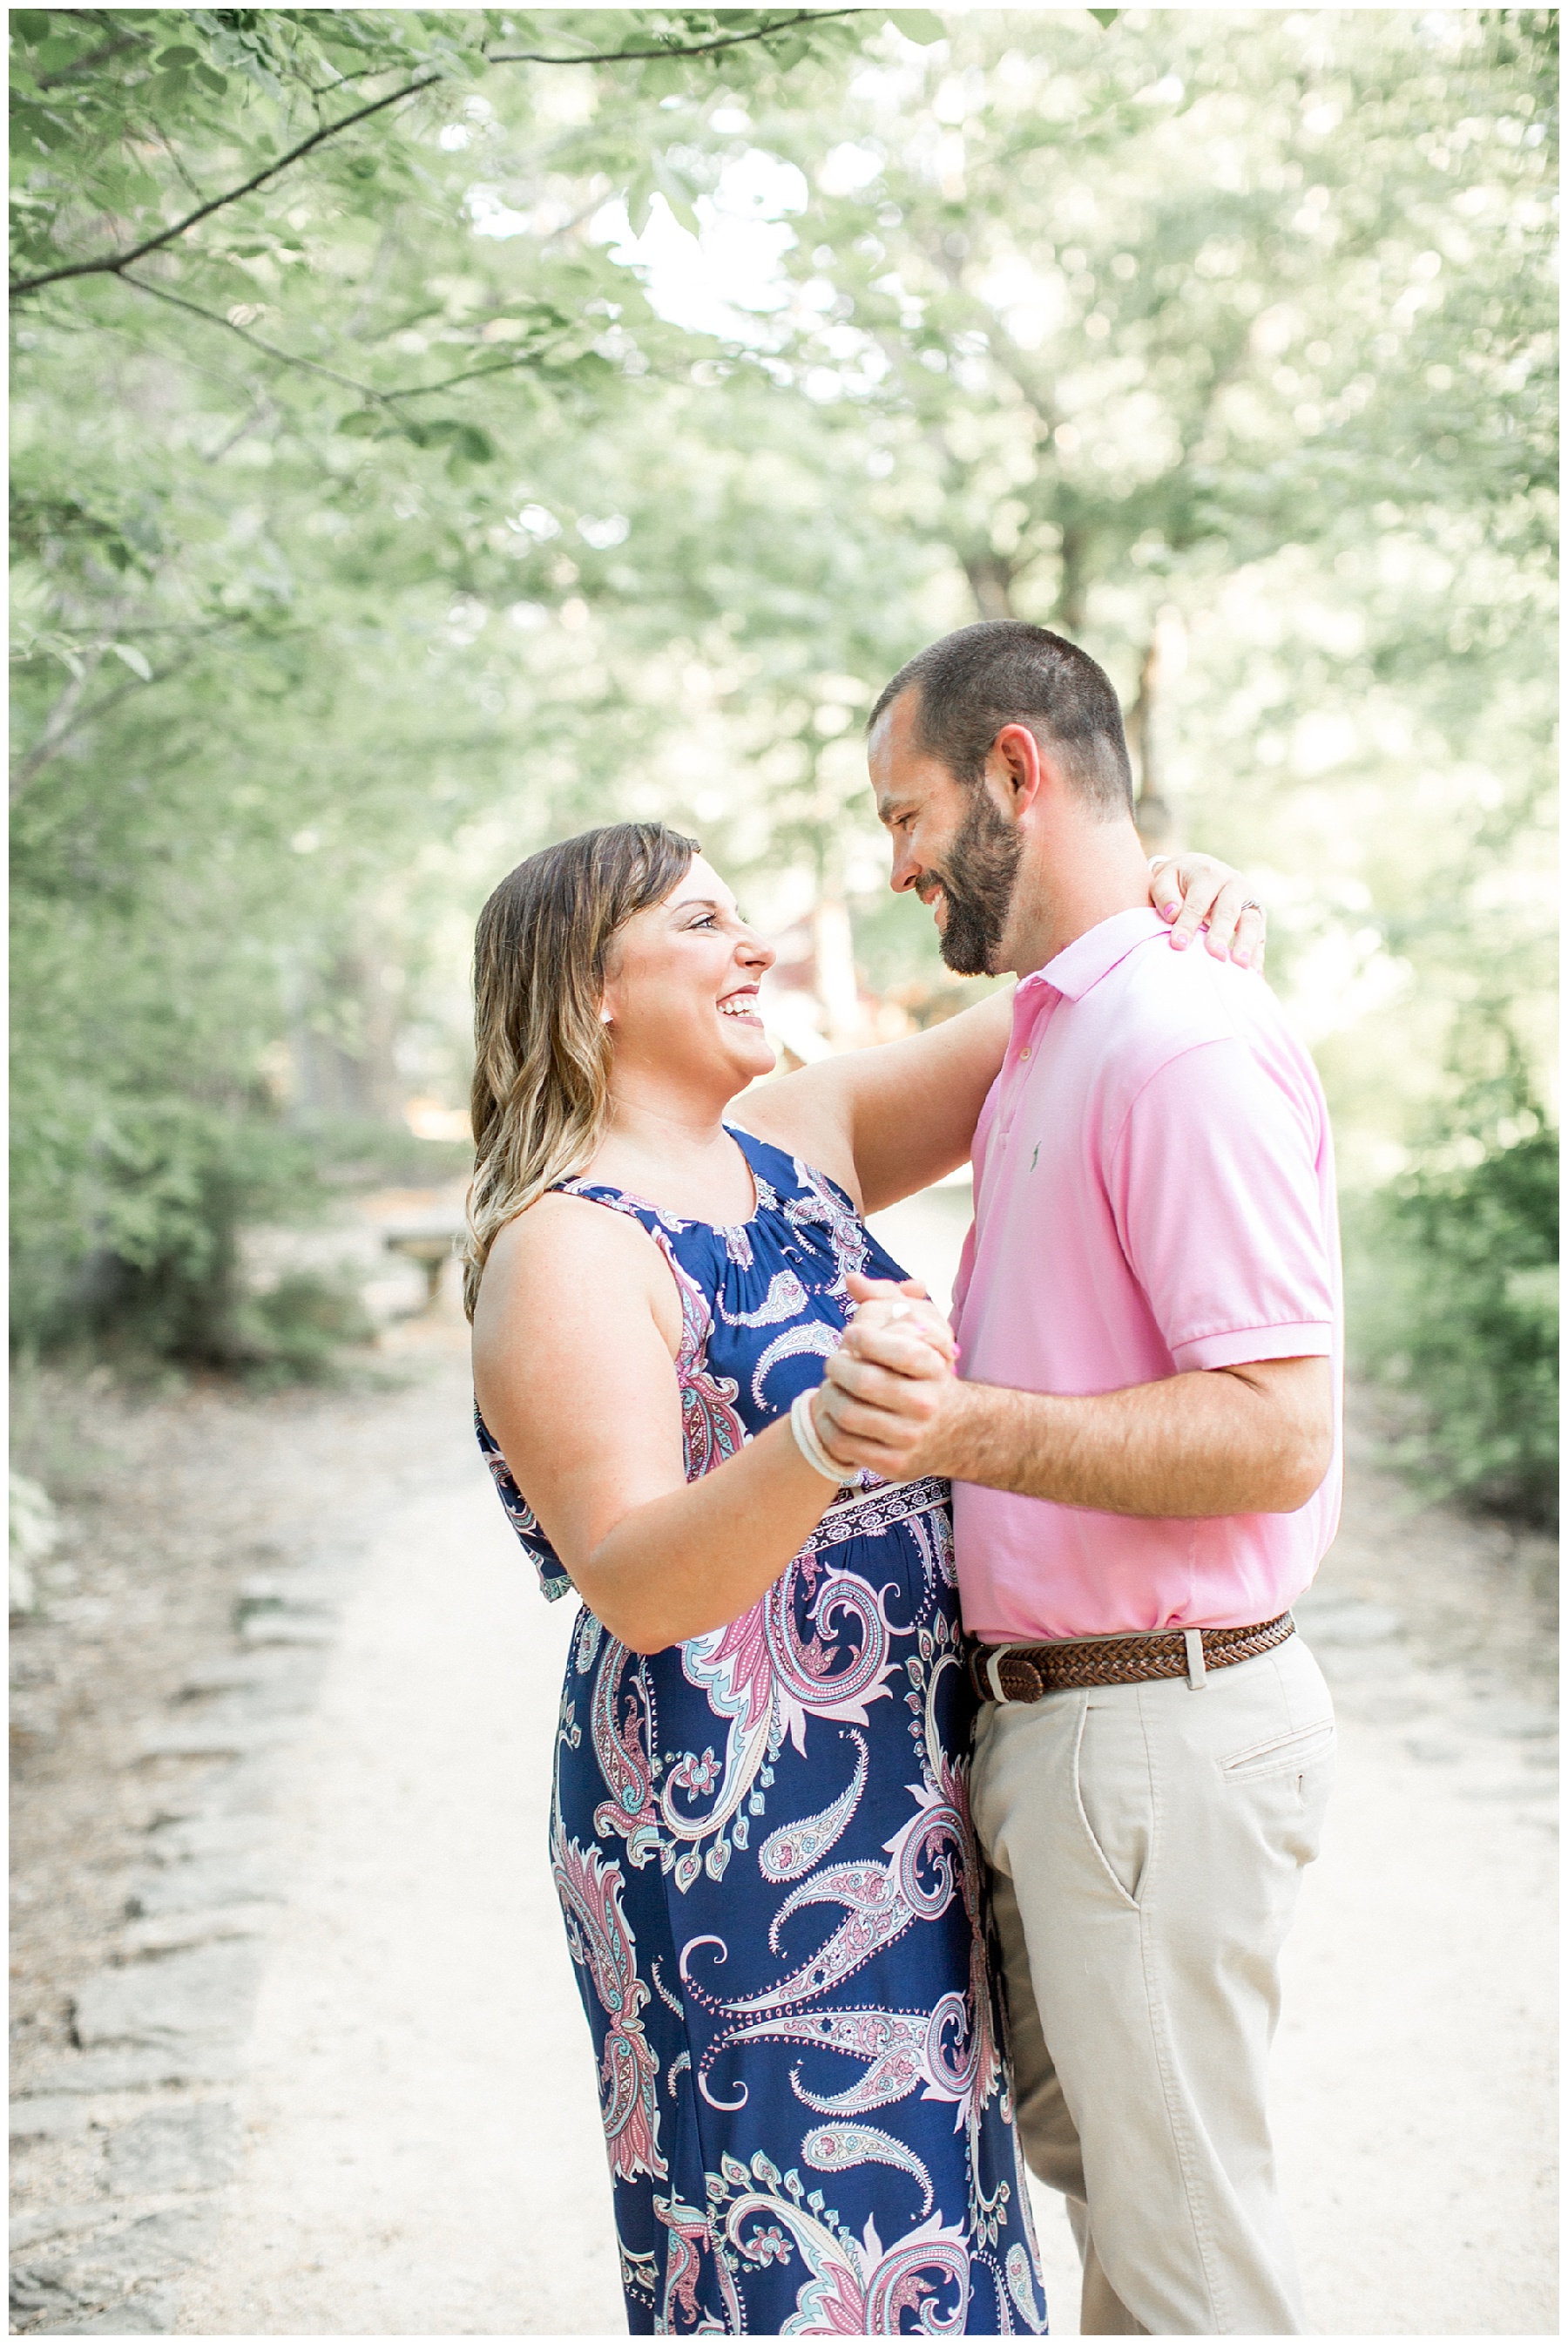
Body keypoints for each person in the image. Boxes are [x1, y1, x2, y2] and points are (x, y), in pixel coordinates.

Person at [465, 817, 1263, 2335]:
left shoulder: (798, 1135)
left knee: (942, 2226)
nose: (753, 944)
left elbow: (1067, 994)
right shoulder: (563, 1249)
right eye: (703, 923)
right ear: (589, 996)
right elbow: (635, 1580)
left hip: (903, 1786)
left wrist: (1181, 892)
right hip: (726, 1829)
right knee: (798, 2243)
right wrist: (826, 1430)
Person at [816, 620, 1342, 2336]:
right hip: (1071, 1735)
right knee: (1141, 2238)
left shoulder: (1178, 1039)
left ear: (1015, 773)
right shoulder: (1056, 1031)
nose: (892, 863)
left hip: (1151, 1733)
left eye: (906, 814)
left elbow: (1275, 1429)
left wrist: (955, 1425)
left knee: (1193, 2278)